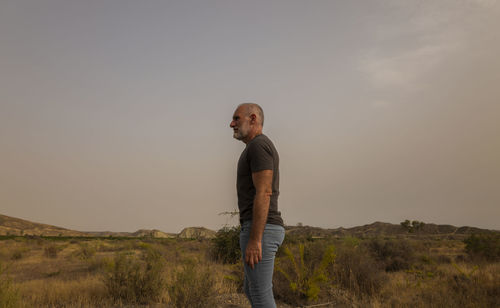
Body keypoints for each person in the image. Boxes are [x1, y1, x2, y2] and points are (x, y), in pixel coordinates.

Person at [229, 103, 285, 308]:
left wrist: (255, 239)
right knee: (251, 290)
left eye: (236, 119)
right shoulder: (253, 147)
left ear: (253, 119)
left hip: (262, 229)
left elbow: (264, 192)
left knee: (261, 296)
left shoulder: (258, 145)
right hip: (259, 228)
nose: (231, 124)